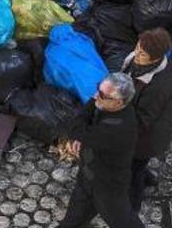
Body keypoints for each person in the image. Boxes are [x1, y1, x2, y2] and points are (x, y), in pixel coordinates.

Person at [58, 73, 144, 228]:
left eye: (103, 95)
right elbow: (84, 131)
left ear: (118, 102)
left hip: (108, 187)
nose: (96, 95)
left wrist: (91, 103)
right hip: (88, 178)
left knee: (125, 223)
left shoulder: (116, 128)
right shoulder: (112, 107)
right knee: (72, 221)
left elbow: (75, 128)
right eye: (98, 88)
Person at [121, 27, 172, 213]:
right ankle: (149, 178)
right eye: (138, 46)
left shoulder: (158, 86)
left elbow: (143, 119)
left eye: (143, 53)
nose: (137, 53)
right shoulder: (134, 59)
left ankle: (133, 209)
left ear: (155, 58)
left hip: (147, 136)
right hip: (137, 122)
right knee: (139, 164)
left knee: (134, 169)